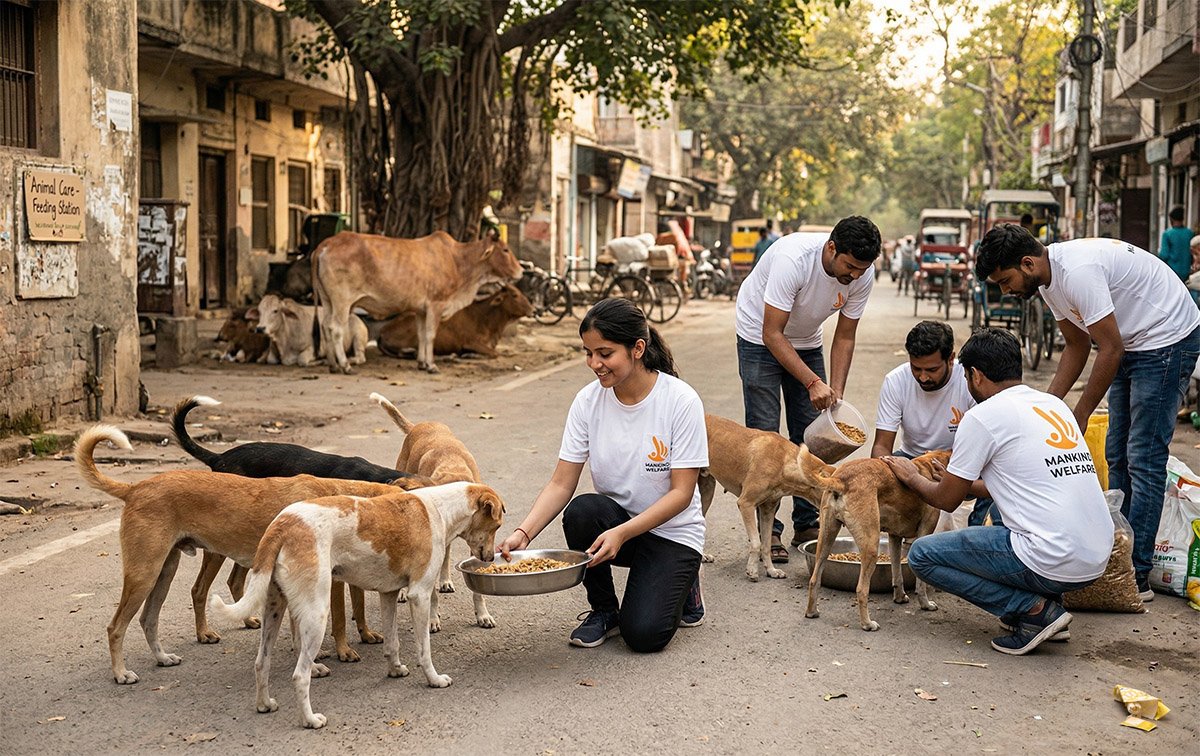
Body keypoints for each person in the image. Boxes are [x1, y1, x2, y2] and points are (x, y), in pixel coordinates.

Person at [974, 224, 1200, 602]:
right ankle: (1120, 551)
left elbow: (1108, 349)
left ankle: (1136, 573)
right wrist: (1045, 407)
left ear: (1027, 263)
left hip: (1166, 338)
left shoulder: (1077, 272)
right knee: (1116, 452)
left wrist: (1076, 415)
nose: (1005, 291)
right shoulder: (1048, 282)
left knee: (1142, 456)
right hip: (1131, 340)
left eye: (1005, 280)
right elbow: (1077, 345)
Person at [884, 328, 1113, 655]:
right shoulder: (1052, 405)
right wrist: (955, 480)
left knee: (922, 555)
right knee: (1013, 527)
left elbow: (947, 500)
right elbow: (1015, 484)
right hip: (1096, 556)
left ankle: (1035, 611)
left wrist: (912, 476)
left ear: (975, 375)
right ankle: (1048, 606)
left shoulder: (982, 417)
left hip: (1052, 558)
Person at [496, 298, 708, 651]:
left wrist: (622, 533)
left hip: (672, 533)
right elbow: (562, 482)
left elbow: (681, 494)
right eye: (588, 353)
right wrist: (523, 532)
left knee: (644, 636)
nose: (595, 364)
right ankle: (605, 611)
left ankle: (685, 583)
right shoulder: (587, 401)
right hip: (617, 527)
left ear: (638, 348)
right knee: (582, 511)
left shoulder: (680, 401)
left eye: (605, 353)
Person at [734, 215, 881, 562]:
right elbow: (772, 333)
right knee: (766, 436)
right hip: (758, 335)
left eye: (862, 269)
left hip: (806, 341)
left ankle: (806, 520)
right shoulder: (792, 259)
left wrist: (836, 393)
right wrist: (813, 381)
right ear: (831, 248)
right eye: (850, 266)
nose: (854, 276)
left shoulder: (863, 273)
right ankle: (768, 531)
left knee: (812, 438)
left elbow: (845, 335)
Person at [871, 320, 998, 526]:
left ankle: (976, 534)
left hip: (960, 461)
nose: (922, 377)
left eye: (931, 369)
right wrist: (884, 471)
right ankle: (905, 528)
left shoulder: (969, 380)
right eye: (916, 368)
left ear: (951, 359)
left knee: (997, 474)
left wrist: (953, 471)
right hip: (914, 459)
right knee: (880, 470)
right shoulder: (896, 381)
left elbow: (987, 444)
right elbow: (881, 445)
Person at [1159, 205, 1194, 283]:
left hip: (1172, 271)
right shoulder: (1190, 233)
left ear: (1171, 219)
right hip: (1186, 271)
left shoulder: (1167, 234)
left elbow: (1164, 255)